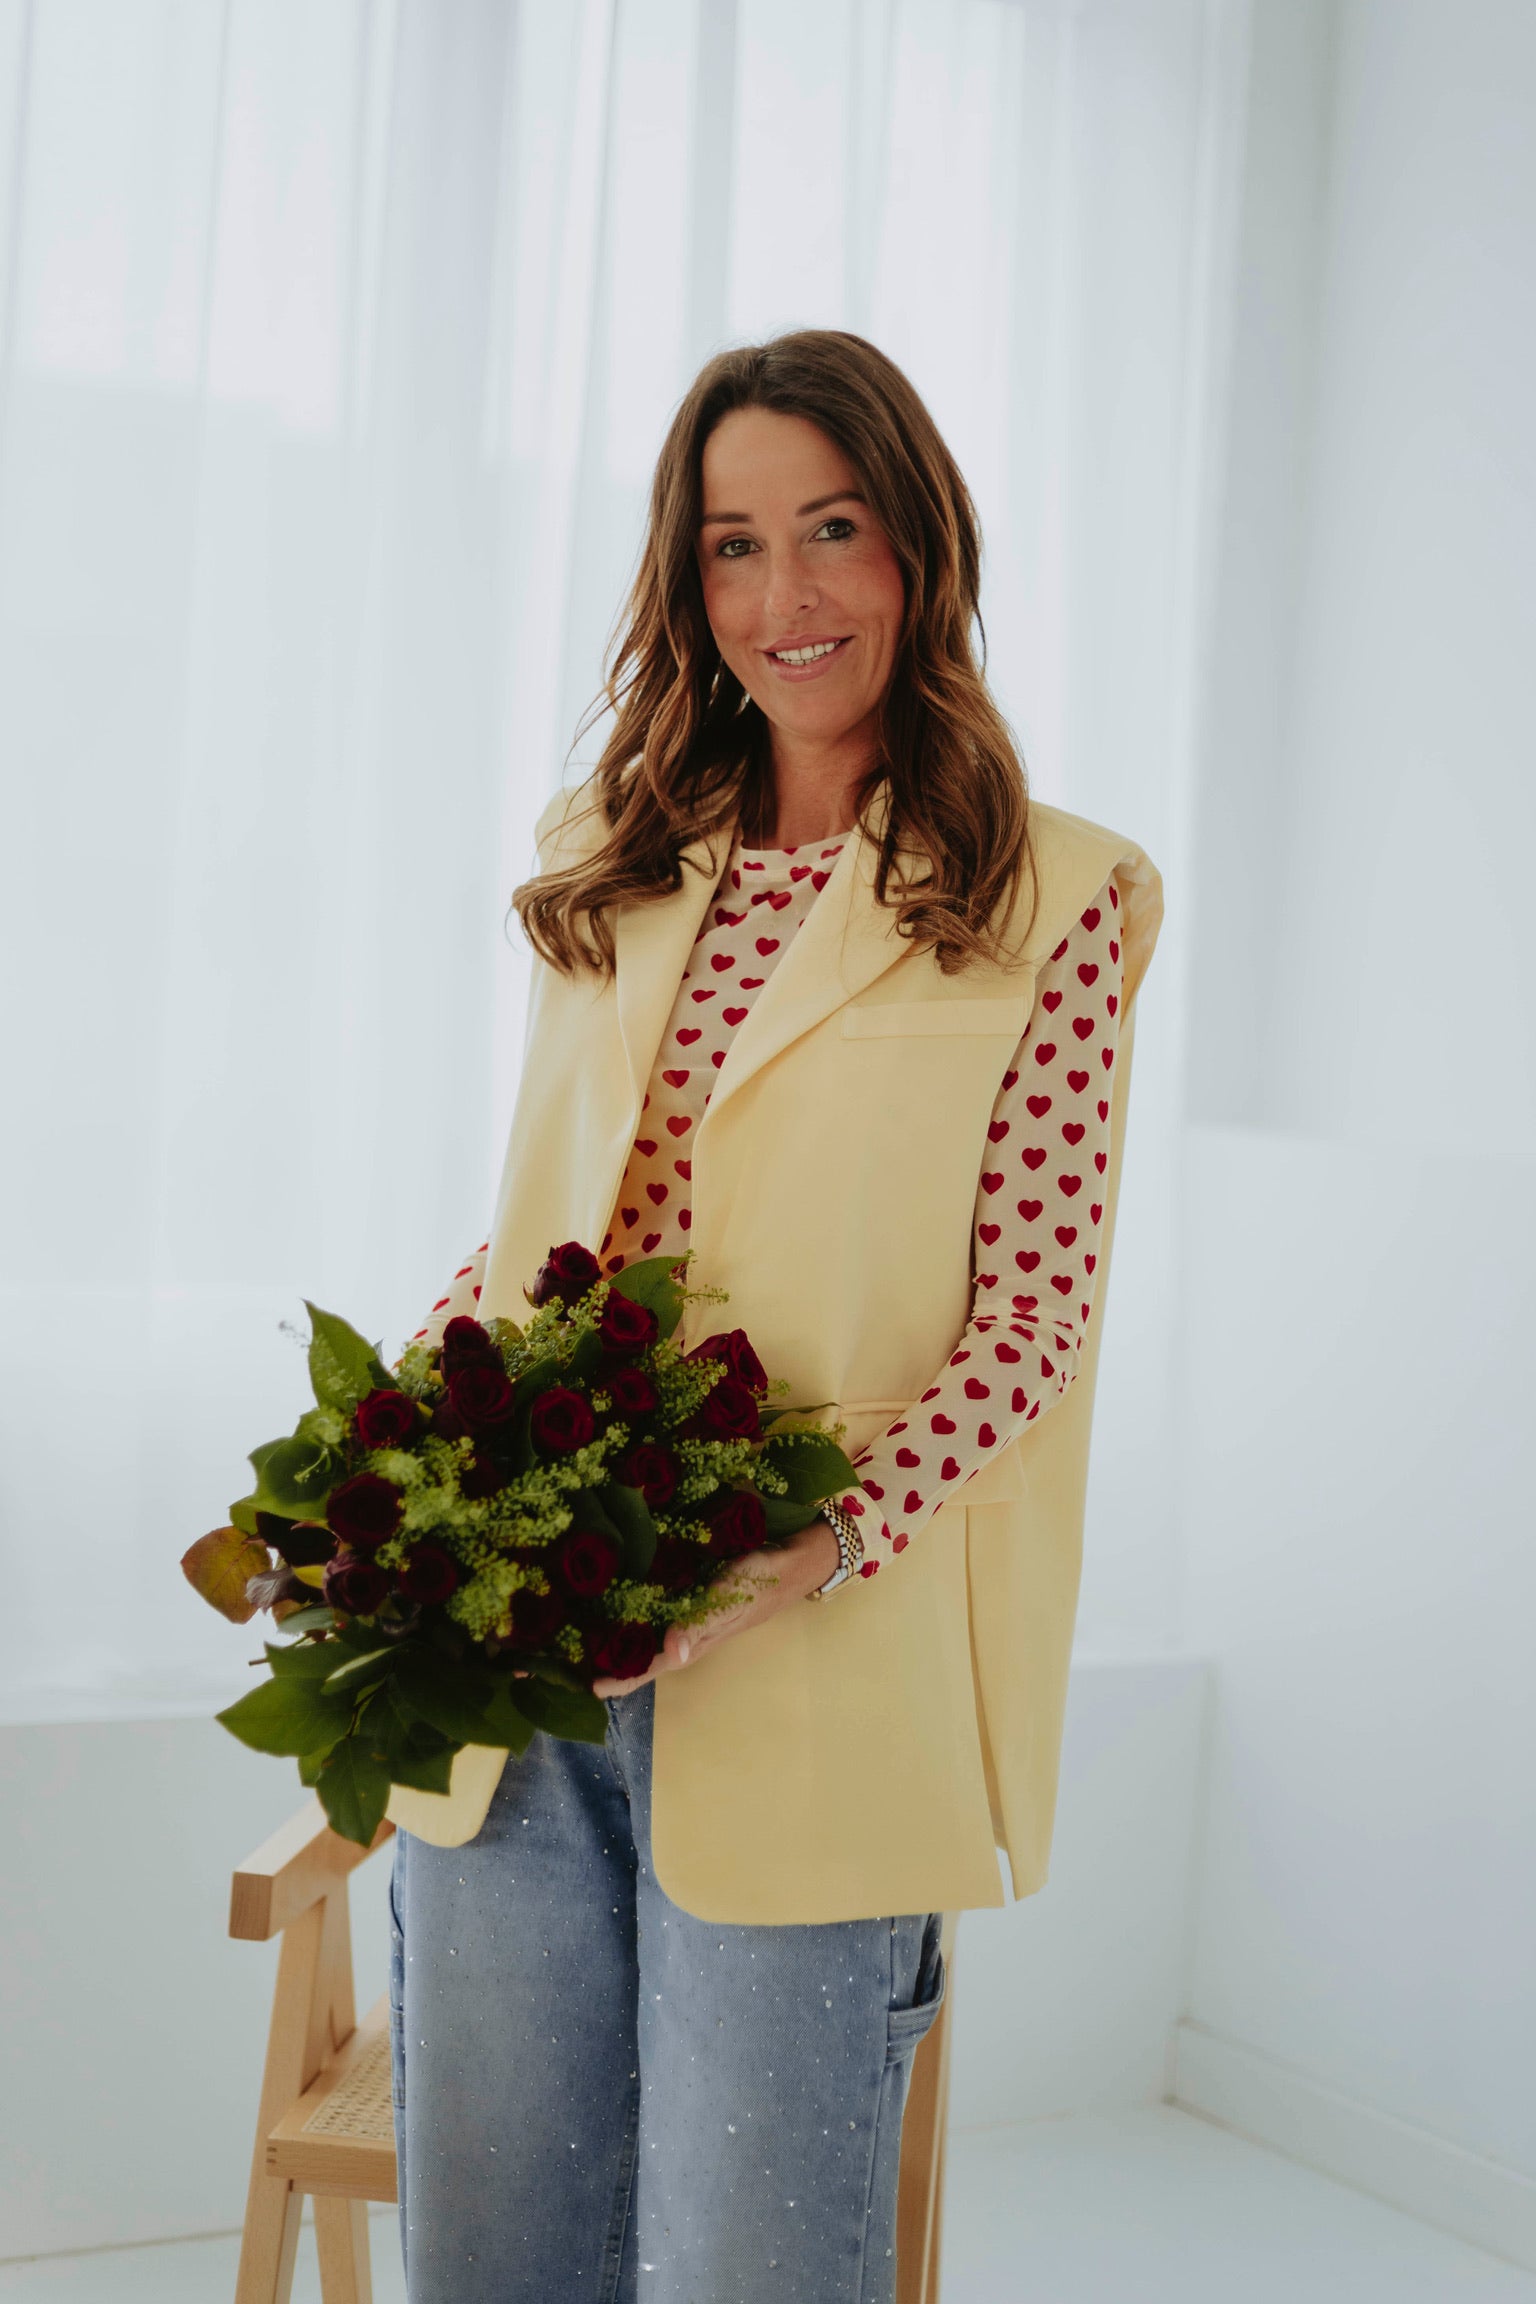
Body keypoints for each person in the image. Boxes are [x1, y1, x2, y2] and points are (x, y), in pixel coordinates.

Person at [386, 328, 1163, 2303]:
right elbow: (536, 1242)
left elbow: (1032, 1328)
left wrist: (815, 1550)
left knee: (748, 2264)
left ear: (918, 546)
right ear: (689, 579)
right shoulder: (610, 854)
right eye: (734, 544)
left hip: (817, 1665)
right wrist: (391, 1448)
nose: (785, 593)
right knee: (495, 2257)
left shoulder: (1054, 896)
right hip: (517, 1650)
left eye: (832, 528)